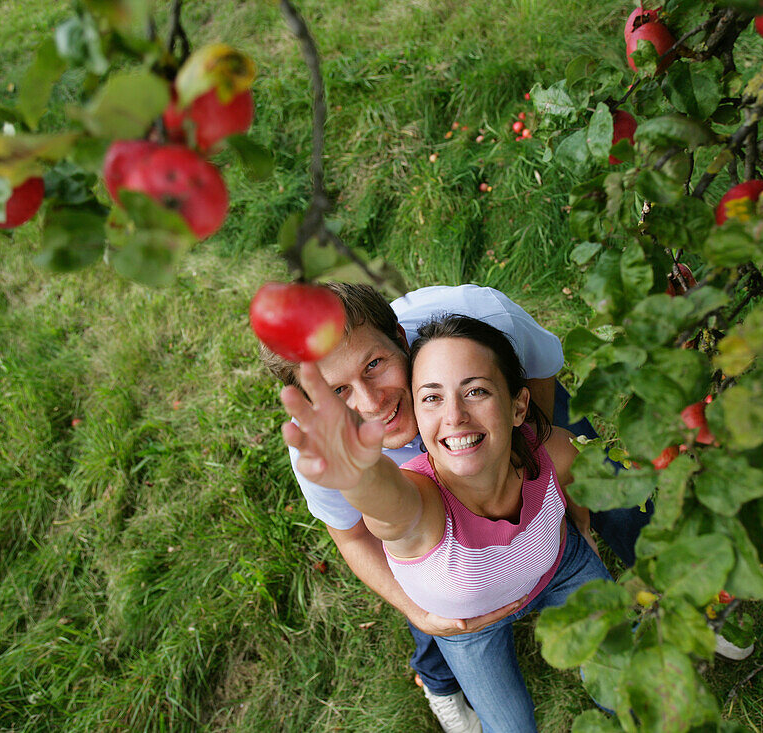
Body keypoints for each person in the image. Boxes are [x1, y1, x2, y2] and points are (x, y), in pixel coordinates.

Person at [260, 283, 650, 731]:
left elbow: (538, 399)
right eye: (339, 392)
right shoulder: (325, 447)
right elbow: (365, 526)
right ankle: (439, 681)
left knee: (613, 490)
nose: (371, 402)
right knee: (436, 612)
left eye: (374, 365)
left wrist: (556, 493)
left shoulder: (484, 321)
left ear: (401, 342)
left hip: (523, 469)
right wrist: (420, 611)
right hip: (451, 573)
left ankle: (688, 596)